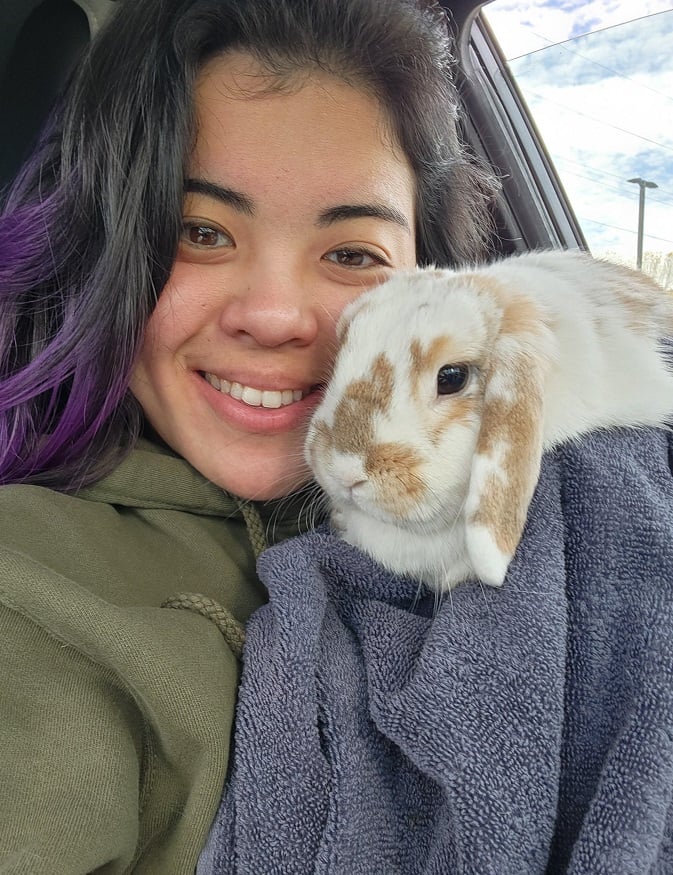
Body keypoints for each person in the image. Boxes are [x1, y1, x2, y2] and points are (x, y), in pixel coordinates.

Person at [0, 0, 498, 871]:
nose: (274, 316)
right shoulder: (29, 585)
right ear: (102, 249)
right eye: (200, 232)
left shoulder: (521, 496)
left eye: (352, 254)